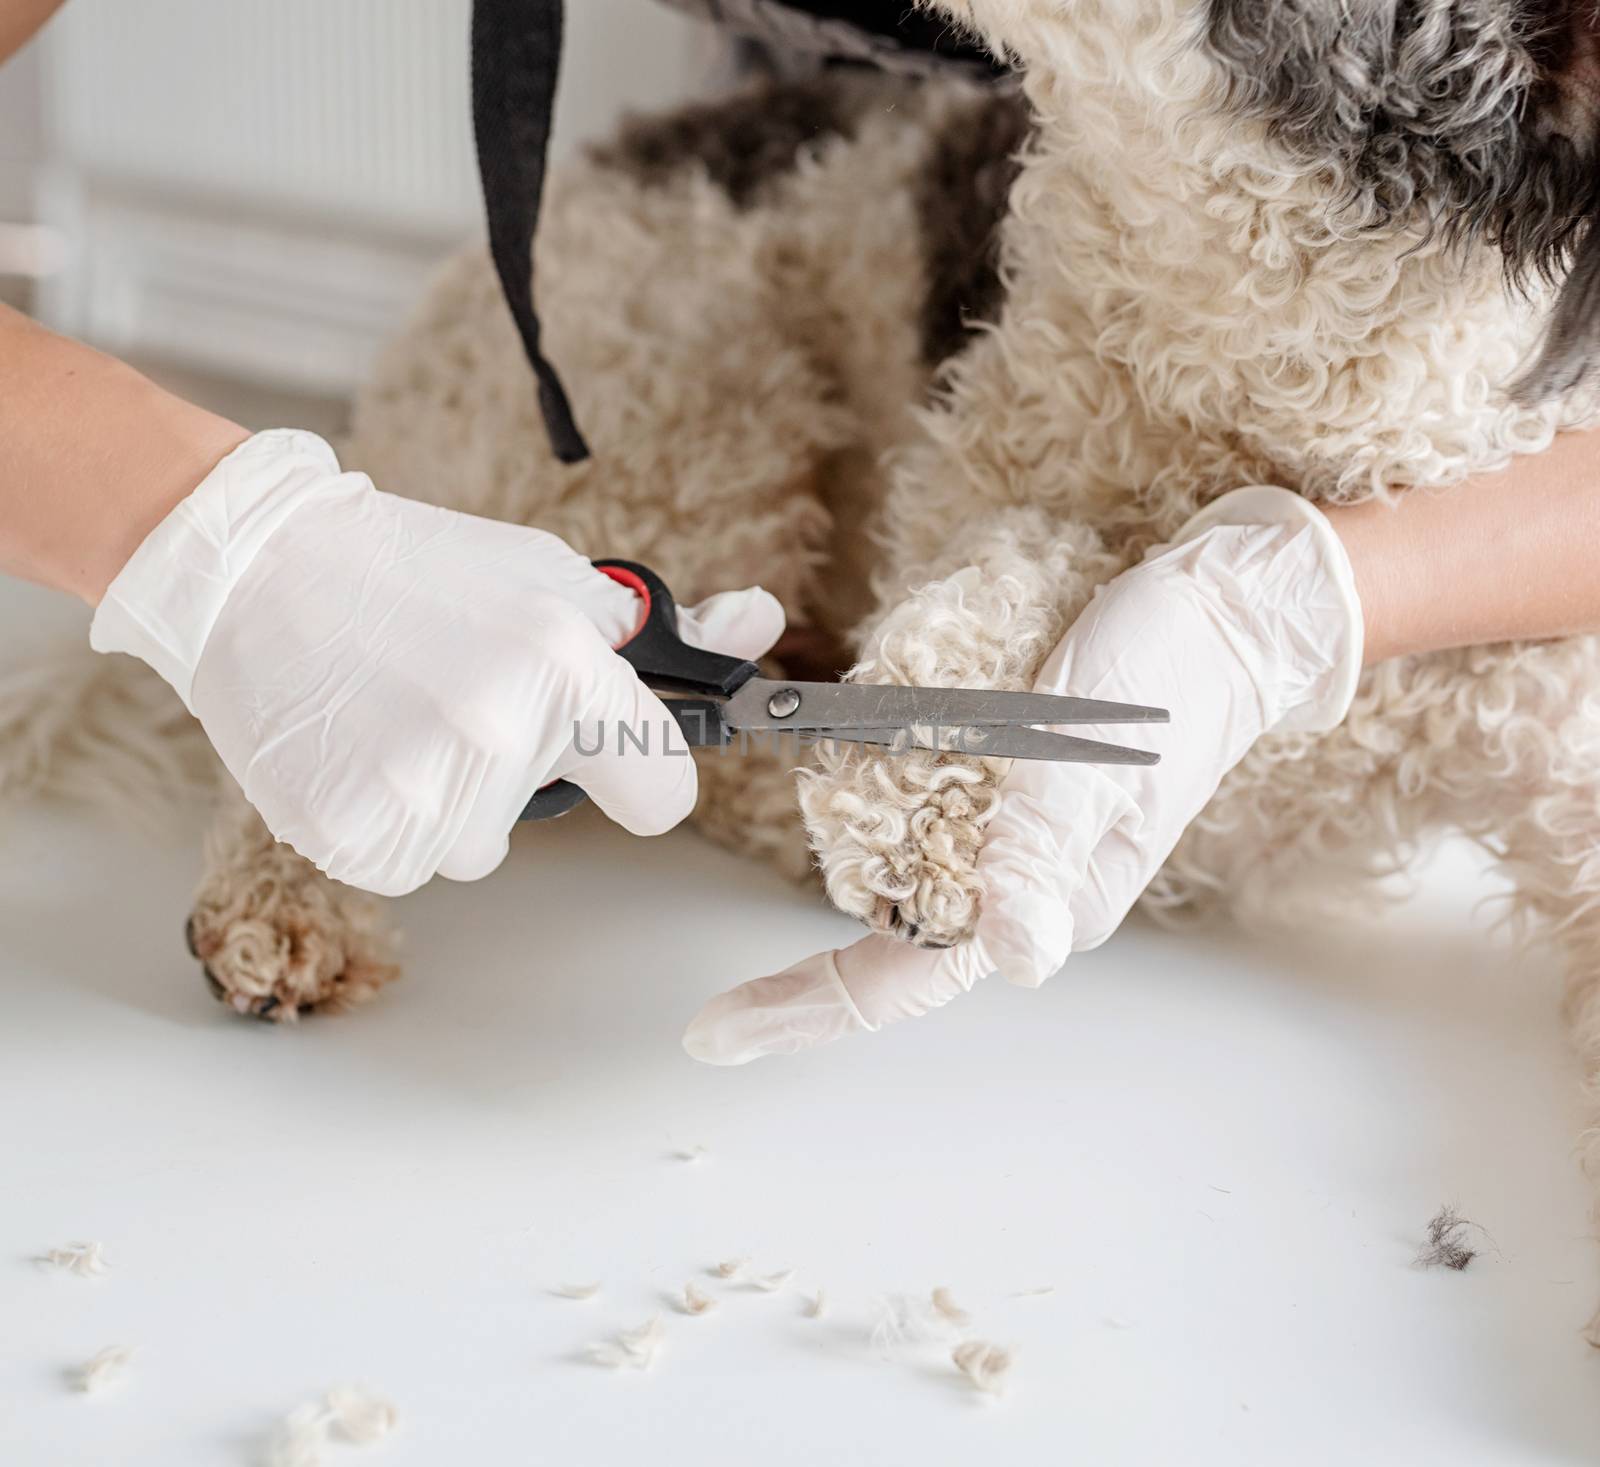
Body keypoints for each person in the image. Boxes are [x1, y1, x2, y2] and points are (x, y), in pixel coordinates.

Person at [3, 2, 1598, 1057]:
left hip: (1315, 230)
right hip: (794, 236)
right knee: (651, 478)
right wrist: (216, 543)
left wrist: (1313, 597)